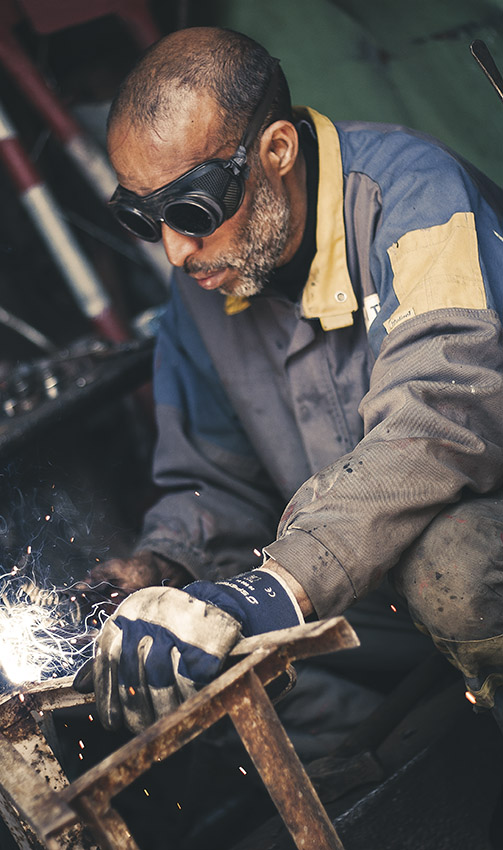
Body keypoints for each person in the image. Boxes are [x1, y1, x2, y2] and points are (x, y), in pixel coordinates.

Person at [78, 26, 503, 742]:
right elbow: (213, 480)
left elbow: (440, 414)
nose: (177, 252)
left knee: (451, 561)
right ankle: (400, 786)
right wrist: (162, 566)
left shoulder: (412, 193)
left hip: (470, 548)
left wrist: (282, 585)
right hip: (366, 590)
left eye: (190, 211)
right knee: (186, 667)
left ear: (275, 151)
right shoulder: (203, 292)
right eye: (144, 219)